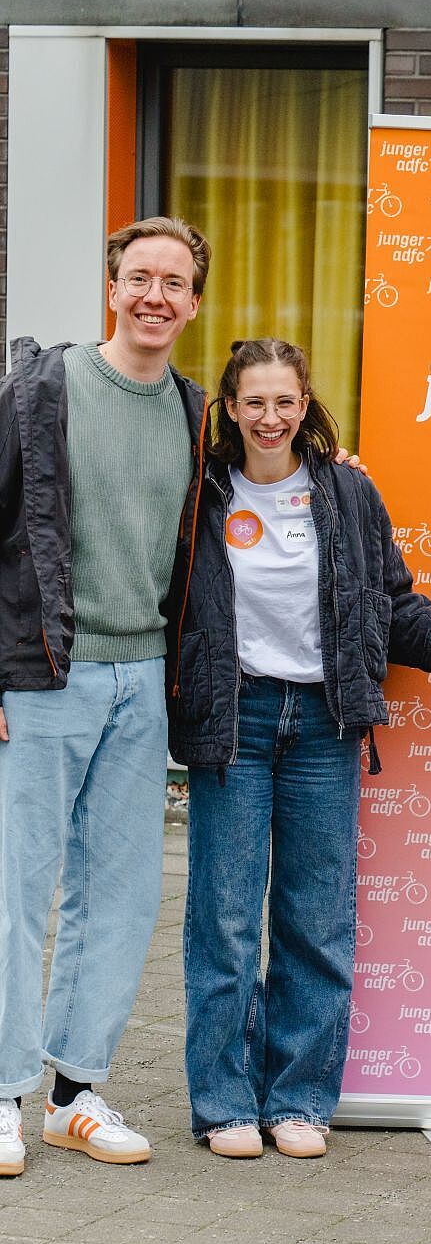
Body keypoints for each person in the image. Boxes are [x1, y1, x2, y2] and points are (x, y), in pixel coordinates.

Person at [169, 338, 431, 1160]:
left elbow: (394, 603)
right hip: (231, 723)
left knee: (316, 921)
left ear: (307, 404)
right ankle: (225, 1106)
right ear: (228, 411)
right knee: (227, 921)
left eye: (286, 402)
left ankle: (300, 1101)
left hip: (325, 725)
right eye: (254, 403)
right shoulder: (197, 495)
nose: (271, 418)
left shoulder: (347, 491)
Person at [0, 217, 213, 1177]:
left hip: (142, 684)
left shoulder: (195, 412)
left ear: (195, 303)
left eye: (174, 282)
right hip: (44, 675)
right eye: (140, 278)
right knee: (17, 895)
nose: (155, 296)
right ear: (111, 288)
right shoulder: (40, 392)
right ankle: (3, 1094)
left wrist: (334, 471)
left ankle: (72, 1094)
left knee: (121, 898)